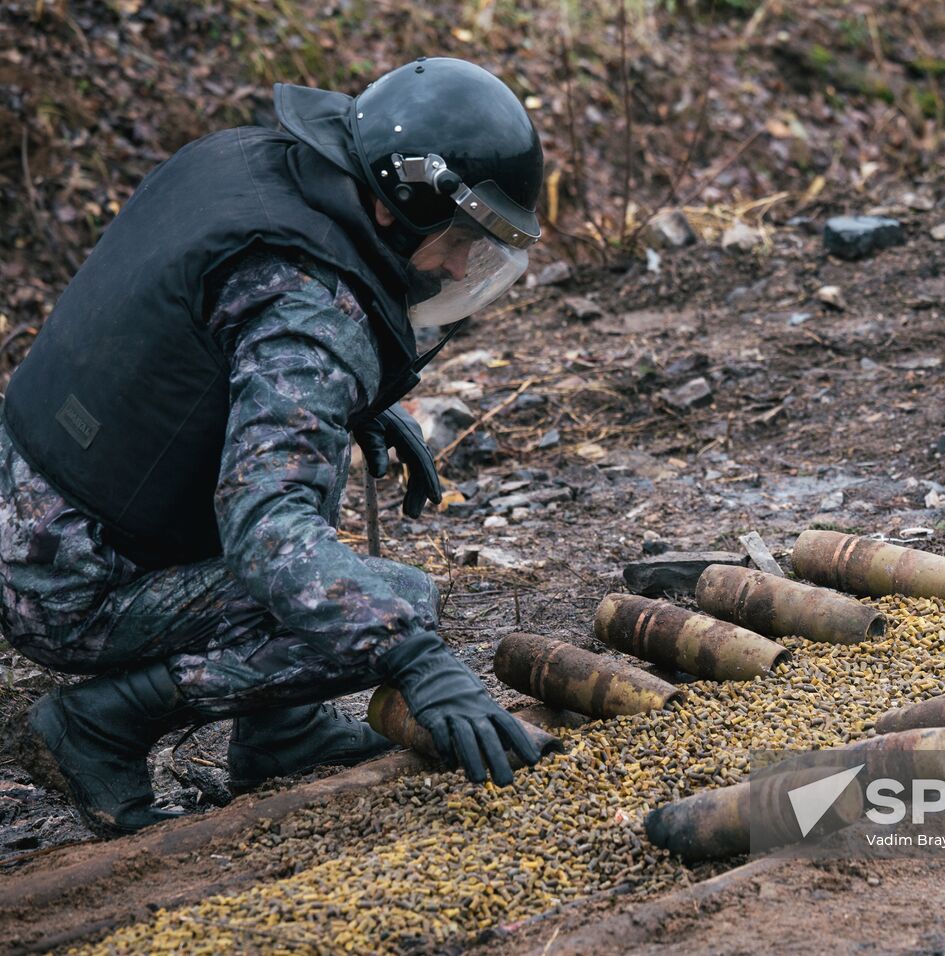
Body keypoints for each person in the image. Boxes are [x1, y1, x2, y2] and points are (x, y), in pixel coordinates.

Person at [0, 57, 543, 836]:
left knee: (307, 489)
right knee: (390, 599)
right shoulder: (310, 309)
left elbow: (181, 346)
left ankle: (282, 734)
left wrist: (354, 403)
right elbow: (268, 537)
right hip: (71, 581)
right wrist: (413, 656)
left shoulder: (250, 164)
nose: (461, 267)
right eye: (458, 240)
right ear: (401, 207)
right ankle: (101, 724)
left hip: (34, 501)